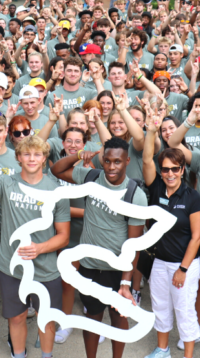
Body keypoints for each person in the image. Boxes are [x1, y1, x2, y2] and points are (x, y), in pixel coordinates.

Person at [0, 135, 70, 358]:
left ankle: (47, 355)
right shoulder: (7, 182)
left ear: (45, 158)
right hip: (11, 268)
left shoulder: (56, 191)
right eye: (27, 154)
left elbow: (63, 236)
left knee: (46, 319)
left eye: (37, 154)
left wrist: (40, 248)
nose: (32, 158)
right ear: (18, 157)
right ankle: (18, 355)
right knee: (16, 317)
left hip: (46, 269)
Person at [51, 136, 147, 358]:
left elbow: (134, 245)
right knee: (92, 319)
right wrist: (77, 155)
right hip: (89, 266)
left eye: (117, 162)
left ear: (127, 161)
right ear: (102, 160)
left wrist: (126, 281)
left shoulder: (135, 195)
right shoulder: (92, 177)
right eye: (107, 161)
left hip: (116, 271)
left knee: (118, 319)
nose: (111, 167)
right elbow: (57, 170)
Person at [141, 113, 200, 358]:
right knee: (161, 307)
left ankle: (188, 355)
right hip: (159, 262)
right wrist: (151, 129)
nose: (169, 174)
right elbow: (147, 158)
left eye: (174, 169)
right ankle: (163, 349)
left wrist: (183, 269)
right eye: (165, 169)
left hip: (183, 264)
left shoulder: (191, 197)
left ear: (182, 169)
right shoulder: (156, 187)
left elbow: (196, 237)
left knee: (185, 310)